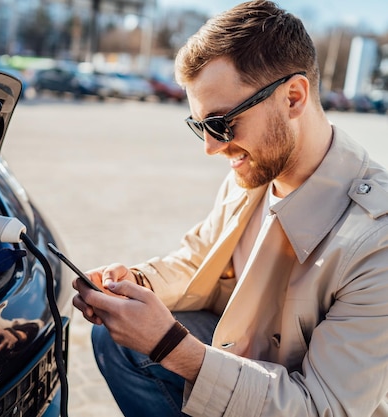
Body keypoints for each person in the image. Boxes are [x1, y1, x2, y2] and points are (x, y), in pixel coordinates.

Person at [72, 1, 388, 416]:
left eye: (221, 123)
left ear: (293, 97)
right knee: (116, 338)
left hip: (299, 399)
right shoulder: (256, 173)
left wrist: (170, 346)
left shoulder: (376, 240)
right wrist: (135, 283)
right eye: (199, 126)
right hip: (242, 362)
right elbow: (199, 257)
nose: (210, 147)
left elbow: (323, 409)